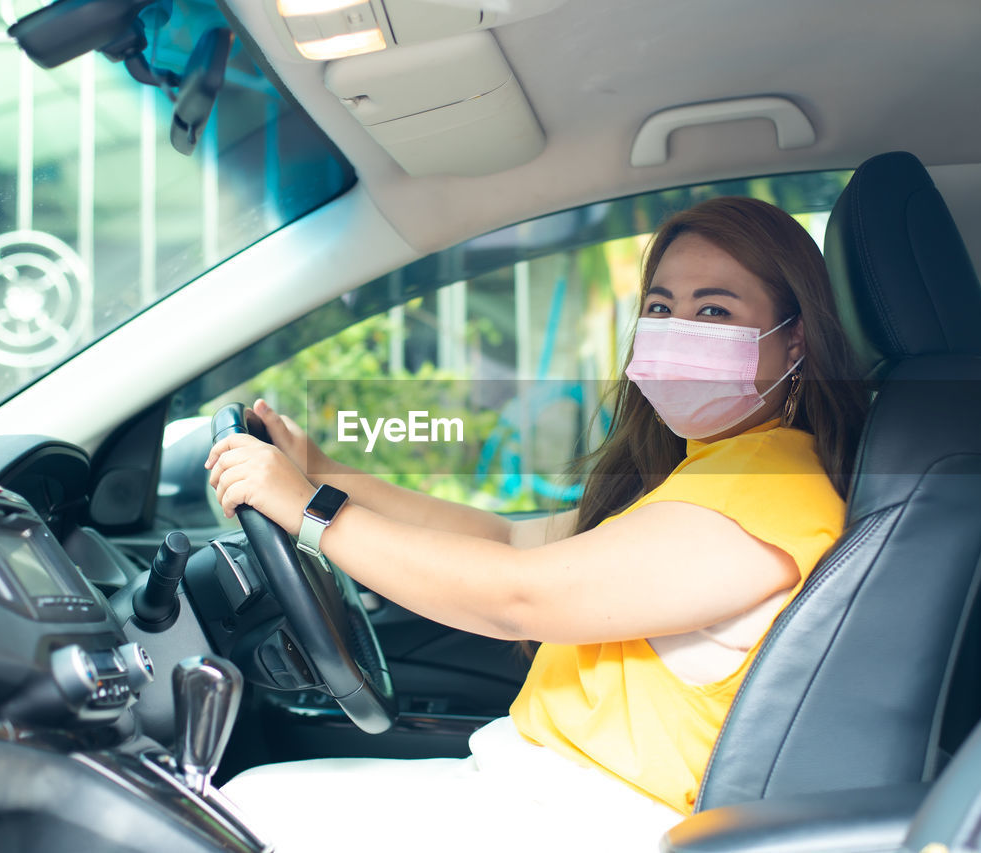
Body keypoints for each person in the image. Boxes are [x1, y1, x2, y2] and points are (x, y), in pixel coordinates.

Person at [205, 197, 869, 852]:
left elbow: (522, 596)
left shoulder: (770, 489)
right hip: (534, 790)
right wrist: (326, 476)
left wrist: (311, 512)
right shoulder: (719, 466)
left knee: (230, 815)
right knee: (240, 802)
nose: (675, 329)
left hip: (590, 818)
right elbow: (510, 540)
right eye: (661, 307)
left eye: (715, 309)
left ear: (796, 340)